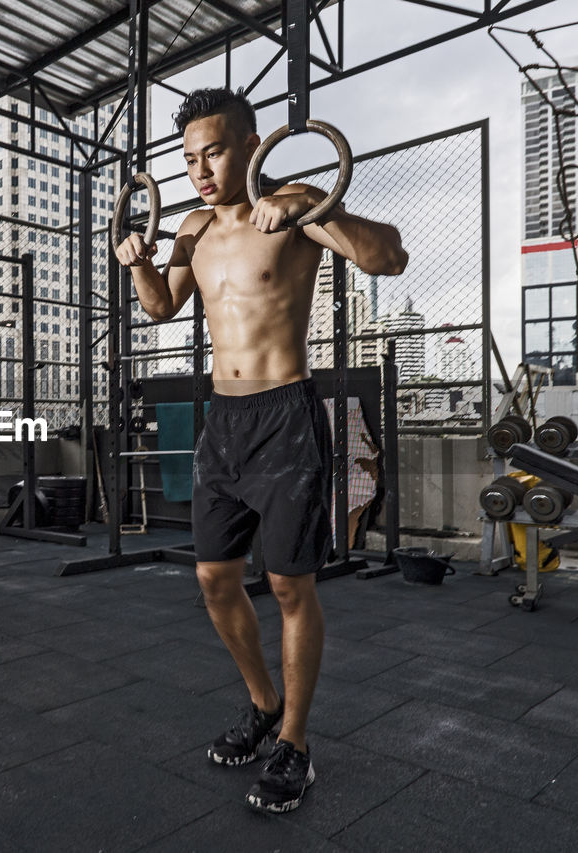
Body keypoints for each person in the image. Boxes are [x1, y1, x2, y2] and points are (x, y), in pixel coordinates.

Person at [115, 87, 408, 814]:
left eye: (212, 151)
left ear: (251, 145)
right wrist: (136, 262)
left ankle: (296, 745)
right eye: (188, 158)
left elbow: (390, 257)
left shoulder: (298, 203)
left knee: (287, 586)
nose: (200, 169)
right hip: (224, 423)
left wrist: (318, 212)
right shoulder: (192, 228)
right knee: (215, 578)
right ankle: (263, 703)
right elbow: (161, 306)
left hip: (285, 416)